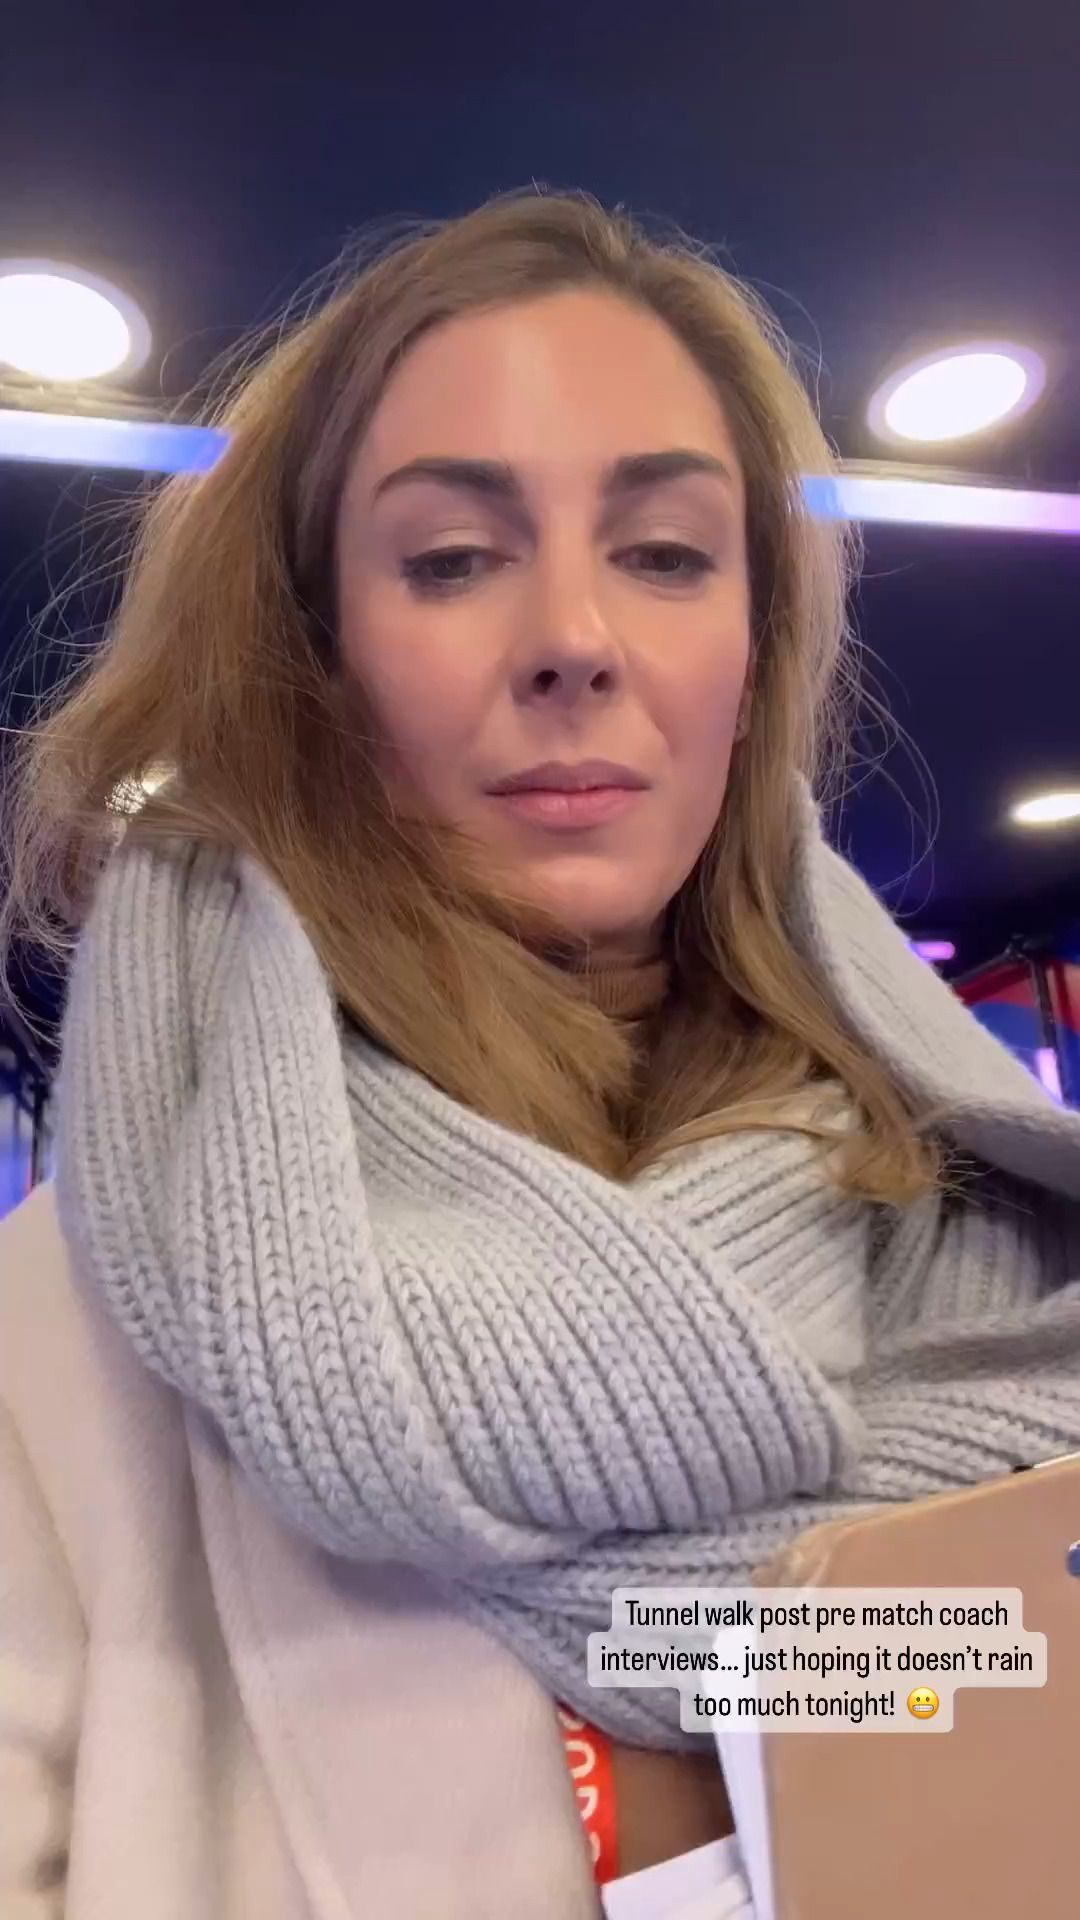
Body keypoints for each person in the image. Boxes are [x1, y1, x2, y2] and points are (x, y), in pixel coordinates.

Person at [1, 185, 1078, 1920]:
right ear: (316, 659)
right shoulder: (79, 1345)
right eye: (450, 559)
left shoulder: (989, 1242)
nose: (575, 639)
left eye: (665, 552)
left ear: (754, 649)